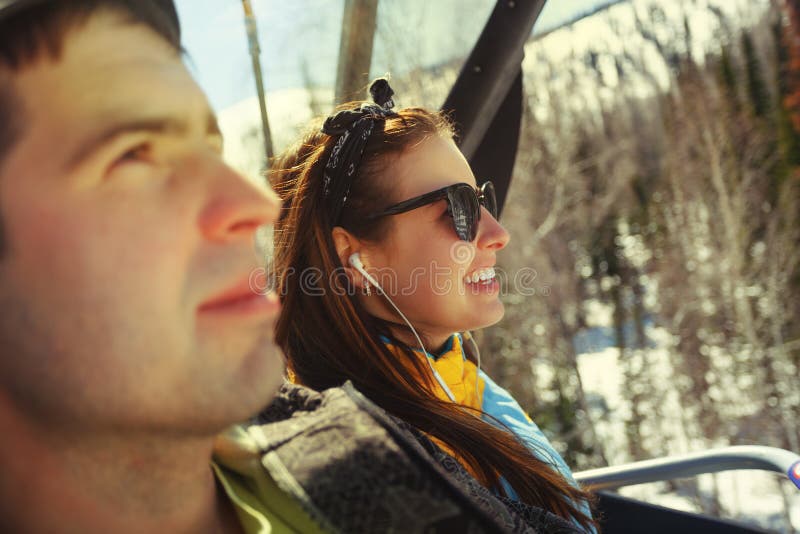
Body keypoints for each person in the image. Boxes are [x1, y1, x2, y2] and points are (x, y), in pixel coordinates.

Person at [0, 2, 587, 532]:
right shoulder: (393, 452)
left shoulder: (427, 415)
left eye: (211, 152)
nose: (253, 205)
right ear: (352, 255)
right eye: (133, 157)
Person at [270, 79, 598, 531]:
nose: (497, 232)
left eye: (481, 199)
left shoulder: (453, 380)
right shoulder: (384, 471)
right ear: (356, 257)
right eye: (457, 208)